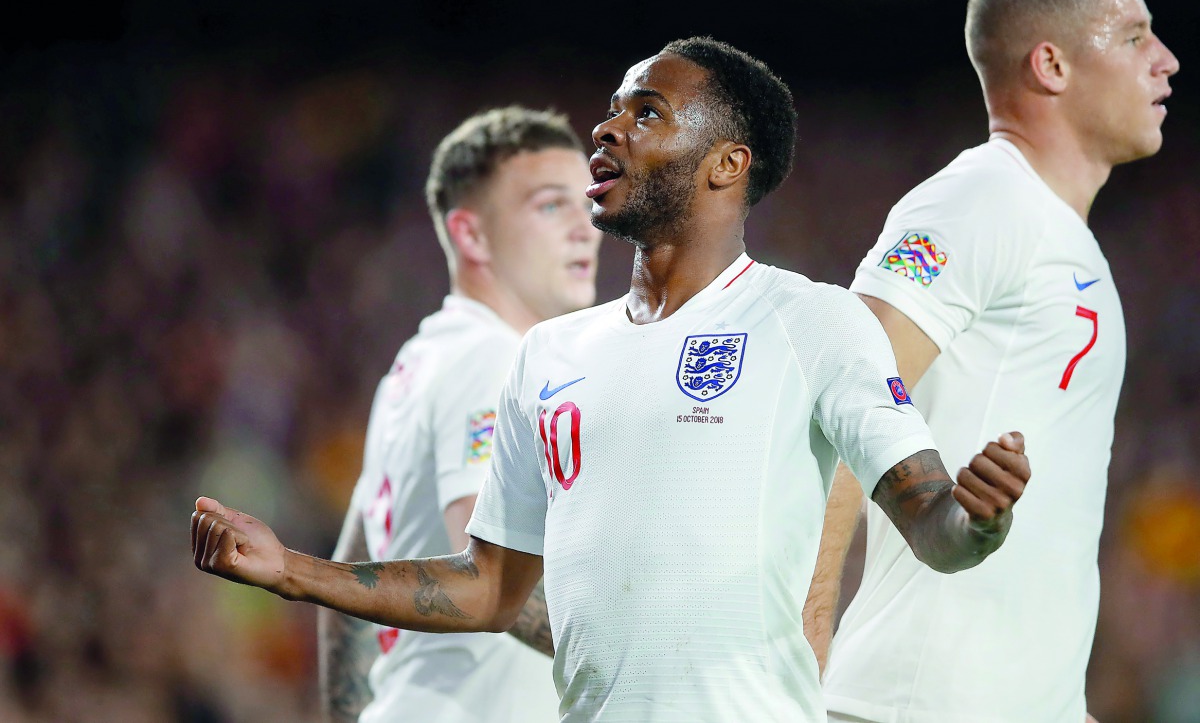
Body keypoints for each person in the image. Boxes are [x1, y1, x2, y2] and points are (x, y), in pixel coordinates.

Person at [192, 37, 1031, 722]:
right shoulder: (548, 355)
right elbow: (489, 586)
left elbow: (932, 521)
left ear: (726, 163)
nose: (606, 128)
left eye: (647, 112)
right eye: (613, 107)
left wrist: (977, 518)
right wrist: (289, 571)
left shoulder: (809, 320)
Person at [814, 0, 1180, 723]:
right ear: (1051, 65)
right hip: (912, 703)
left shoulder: (1065, 238)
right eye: (1133, 37)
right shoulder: (980, 200)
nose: (1167, 60)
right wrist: (801, 646)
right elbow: (837, 408)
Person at [317, 106, 601, 722]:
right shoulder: (492, 360)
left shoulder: (413, 367)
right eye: (552, 206)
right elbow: (492, 576)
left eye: (588, 203)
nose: (587, 228)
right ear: (471, 235)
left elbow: (347, 588)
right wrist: (650, 661)